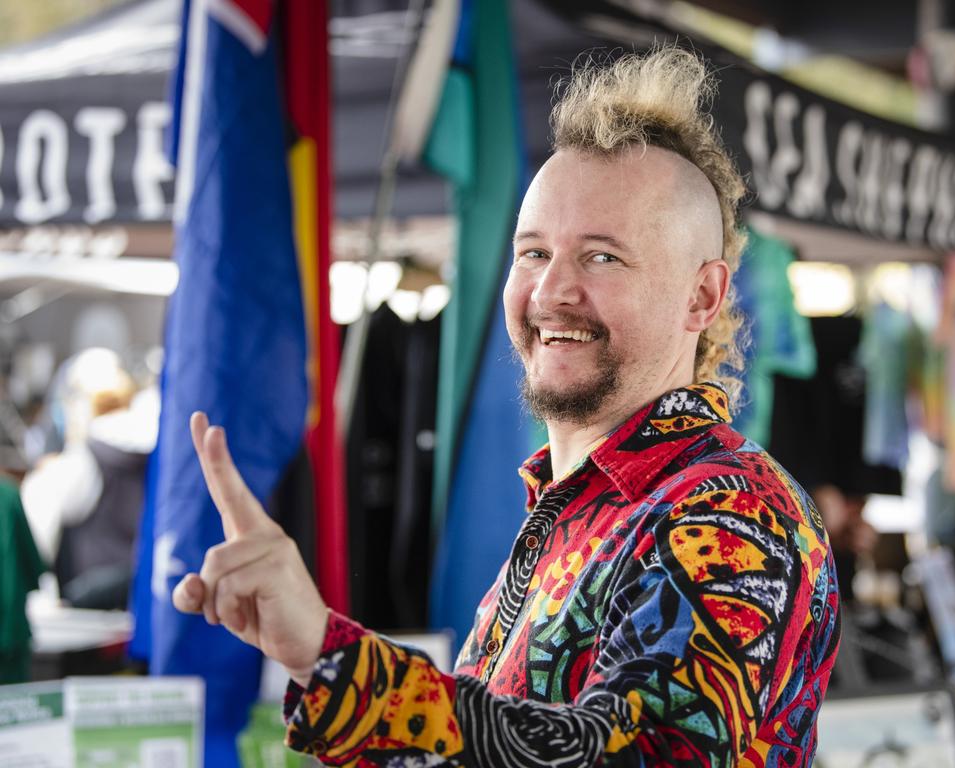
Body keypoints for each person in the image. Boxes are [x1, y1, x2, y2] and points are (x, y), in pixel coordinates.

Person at [173, 46, 840, 766]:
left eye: (603, 257)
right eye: (532, 253)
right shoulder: (579, 507)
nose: (552, 292)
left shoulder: (729, 513)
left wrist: (329, 655)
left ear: (703, 296)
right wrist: (316, 658)